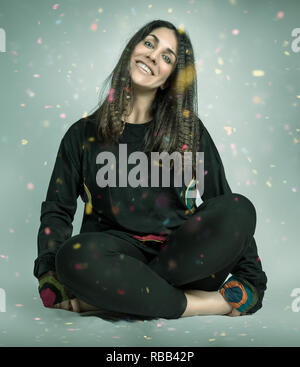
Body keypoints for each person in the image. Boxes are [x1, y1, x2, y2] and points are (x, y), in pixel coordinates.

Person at [34, 20, 267, 320]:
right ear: (132, 48)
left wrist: (250, 279)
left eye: (168, 57)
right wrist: (50, 271)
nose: (154, 56)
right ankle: (201, 305)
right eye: (149, 43)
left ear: (170, 77)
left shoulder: (189, 131)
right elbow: (57, 209)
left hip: (186, 261)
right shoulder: (82, 135)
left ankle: (121, 300)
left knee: (239, 208)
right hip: (114, 260)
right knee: (72, 256)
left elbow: (224, 204)